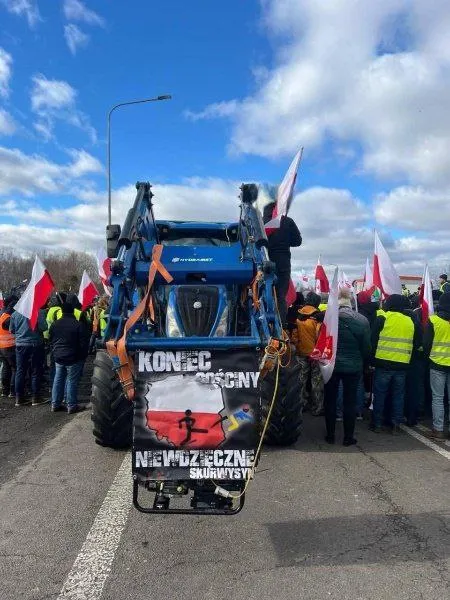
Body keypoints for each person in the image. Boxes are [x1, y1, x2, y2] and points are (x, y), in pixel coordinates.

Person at [324, 288, 371, 446]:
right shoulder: (362, 320)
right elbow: (366, 348)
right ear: (351, 301)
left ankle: (330, 435)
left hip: (331, 366)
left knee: (330, 400)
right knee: (349, 402)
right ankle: (348, 437)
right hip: (353, 366)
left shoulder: (329, 319)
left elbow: (323, 341)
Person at [370, 294, 420, 433]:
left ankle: (377, 423)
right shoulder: (410, 321)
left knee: (380, 394)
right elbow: (416, 343)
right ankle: (396, 424)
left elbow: (372, 341)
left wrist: (371, 361)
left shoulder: (383, 318)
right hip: (402, 364)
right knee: (398, 395)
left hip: (383, 363)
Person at [262, 202, 302, 325]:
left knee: (261, 293)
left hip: (263, 262)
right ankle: (281, 326)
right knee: (280, 296)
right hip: (282, 262)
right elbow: (297, 241)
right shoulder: (287, 221)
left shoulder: (259, 222)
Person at [49, 298, 90, 414]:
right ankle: (71, 405)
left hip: (58, 357)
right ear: (72, 311)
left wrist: (55, 351)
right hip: (74, 358)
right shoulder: (78, 325)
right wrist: (82, 356)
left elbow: (51, 339)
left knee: (58, 379)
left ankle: (55, 404)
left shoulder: (55, 324)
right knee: (71, 380)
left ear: (62, 311)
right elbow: (83, 343)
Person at [291, 291, 324, 415]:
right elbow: (320, 336)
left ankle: (301, 405)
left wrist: (299, 348)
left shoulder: (298, 316)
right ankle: (317, 407)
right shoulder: (317, 317)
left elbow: (294, 336)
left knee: (301, 381)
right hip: (315, 354)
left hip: (301, 353)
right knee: (316, 382)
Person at [423, 293, 450, 439]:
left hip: (437, 363)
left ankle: (438, 429)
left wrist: (428, 357)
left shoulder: (433, 320)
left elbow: (427, 344)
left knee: (438, 398)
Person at [9, 307, 48, 406]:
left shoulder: (15, 314)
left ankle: (19, 398)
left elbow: (11, 330)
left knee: (20, 370)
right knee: (35, 370)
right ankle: (35, 397)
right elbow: (44, 327)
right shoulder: (37, 312)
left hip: (20, 345)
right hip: (35, 344)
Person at [0, 294, 19, 398]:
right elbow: (14, 331)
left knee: (6, 368)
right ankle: (12, 391)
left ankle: (4, 390)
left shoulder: (2, 316)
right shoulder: (9, 319)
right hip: (9, 347)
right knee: (15, 368)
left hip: (2, 347)